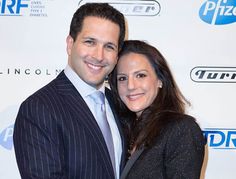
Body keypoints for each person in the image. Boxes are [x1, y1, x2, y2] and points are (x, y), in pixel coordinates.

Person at [13, 3, 126, 179]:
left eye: (109, 47)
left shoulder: (120, 103)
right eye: (90, 42)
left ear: (117, 54)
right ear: (70, 43)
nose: (99, 56)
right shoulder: (38, 109)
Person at [109, 40, 206, 179]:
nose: (130, 86)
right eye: (122, 78)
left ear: (160, 80)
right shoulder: (121, 131)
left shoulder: (182, 129)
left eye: (140, 75)